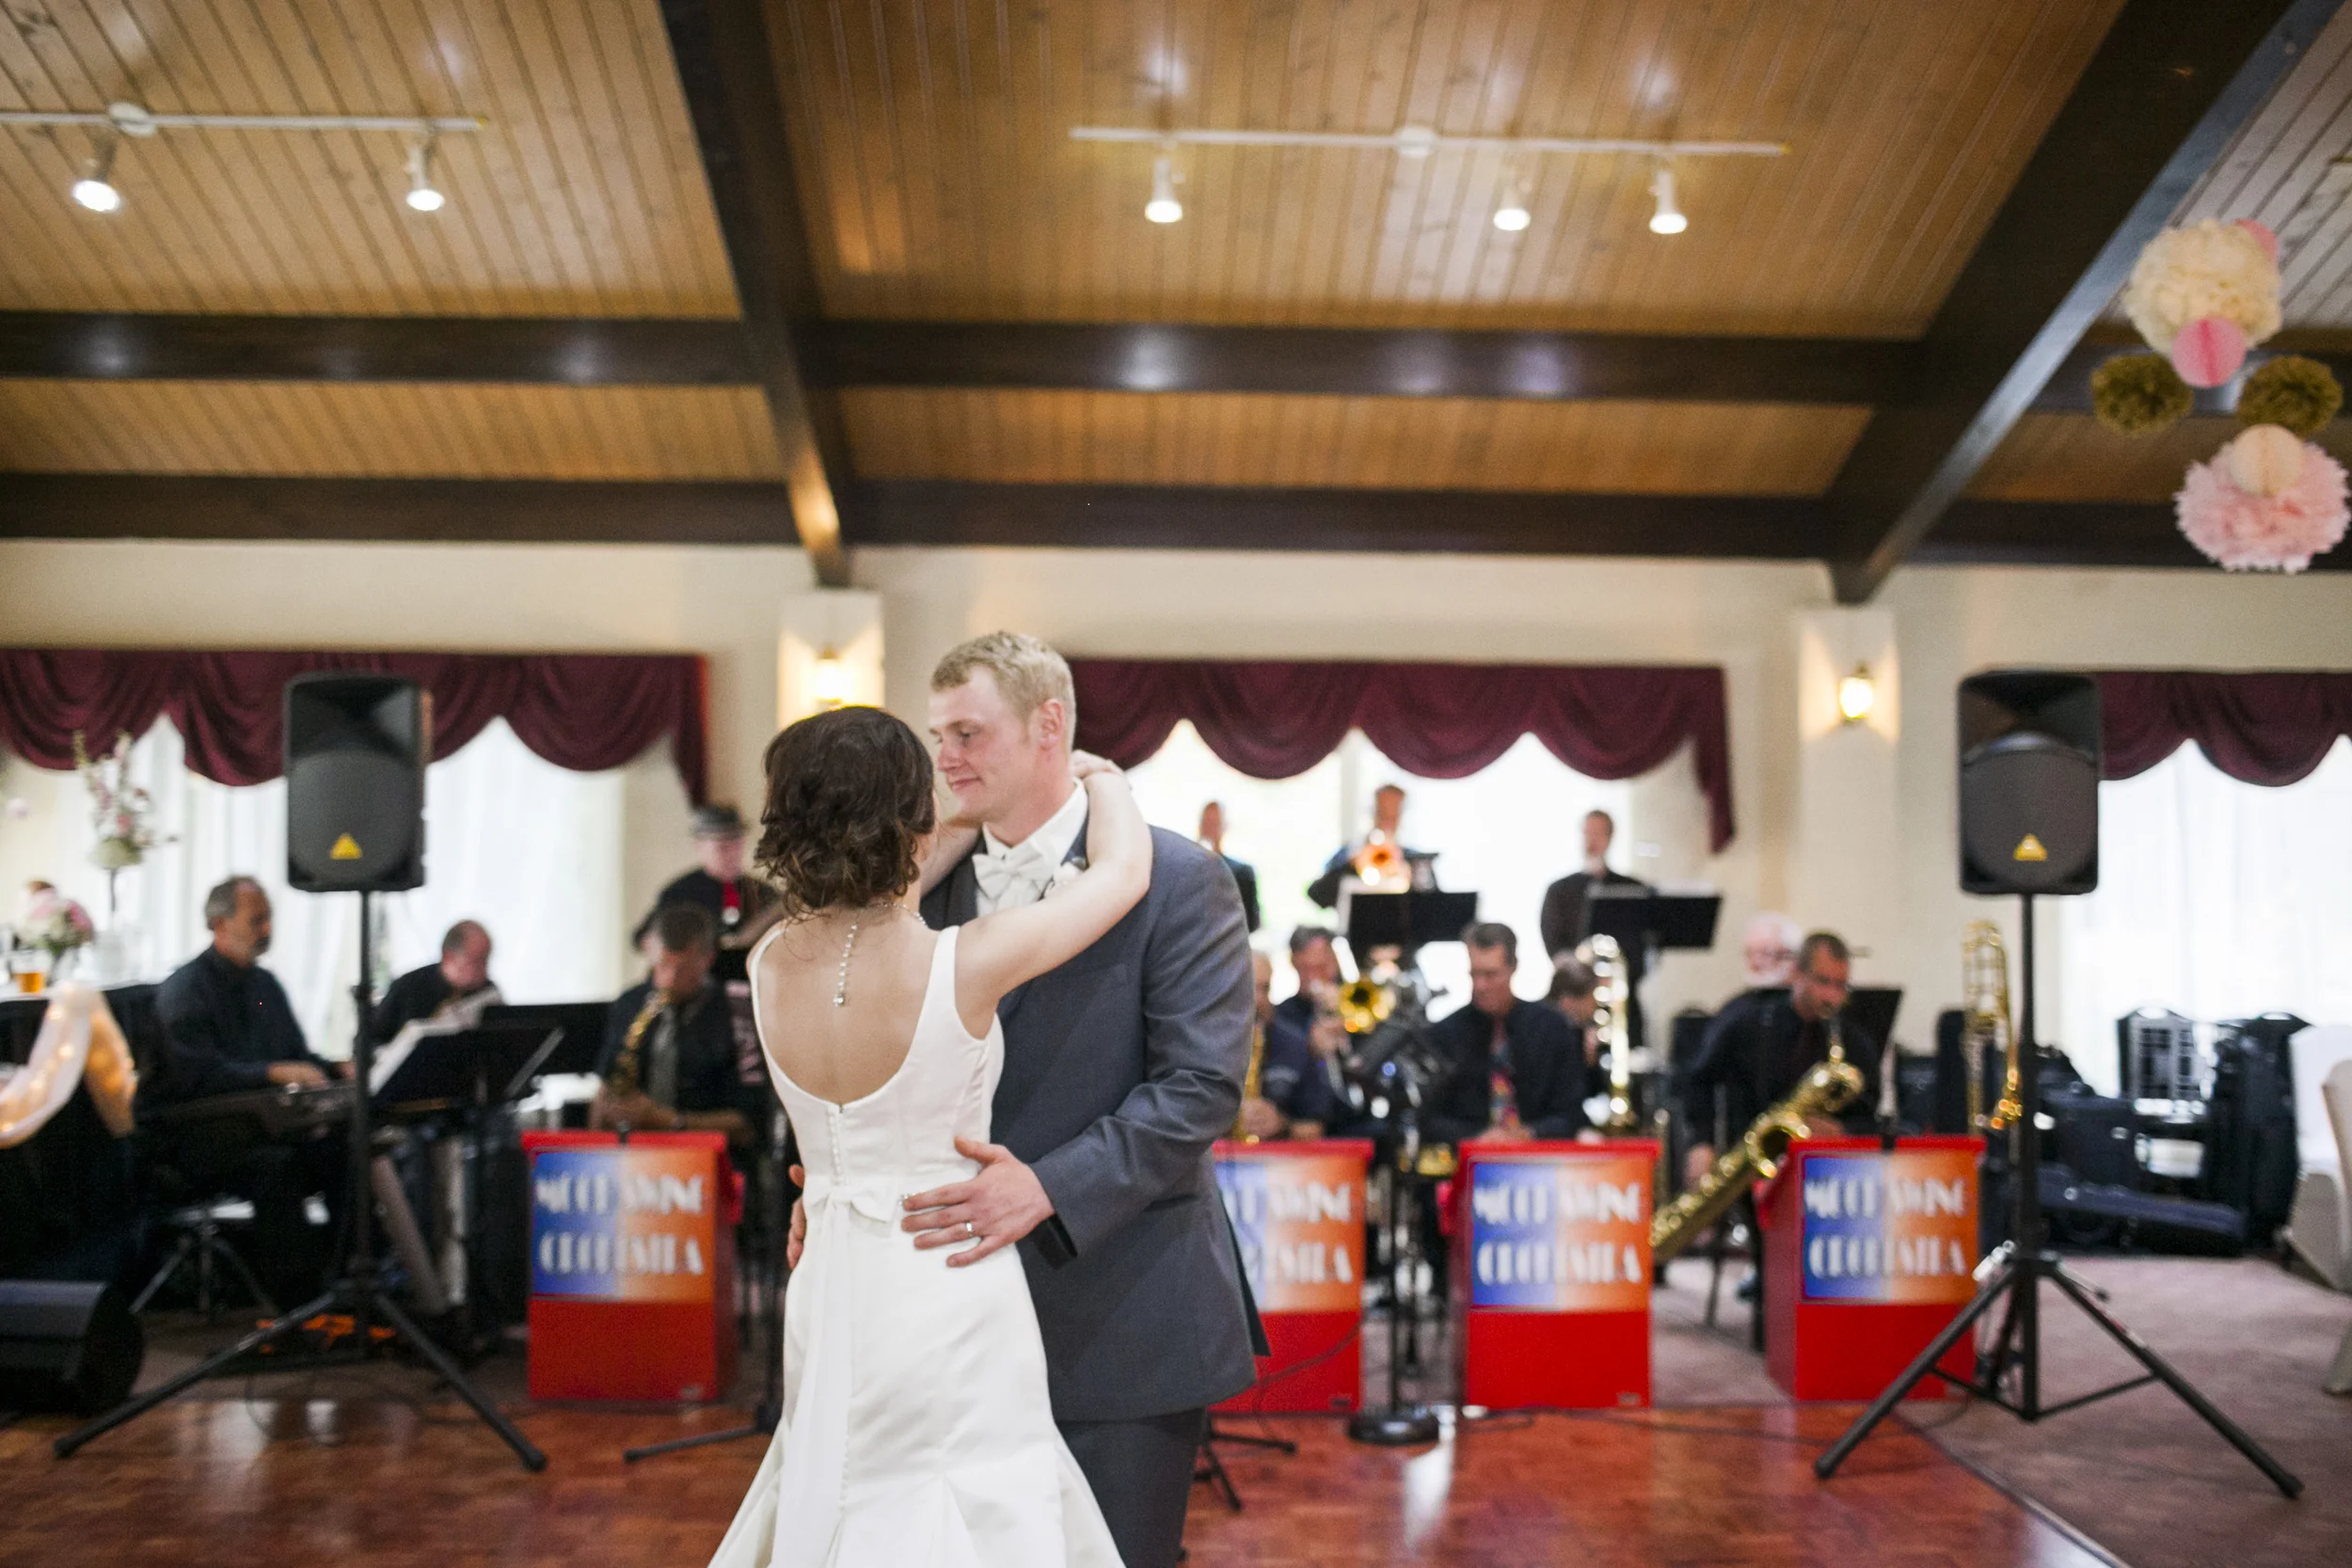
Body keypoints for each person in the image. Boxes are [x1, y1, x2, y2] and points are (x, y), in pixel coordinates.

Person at [762, 629, 1257, 1568]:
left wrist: (1051, 1186)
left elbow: (1198, 1088)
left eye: (968, 732)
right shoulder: (909, 895)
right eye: (936, 734)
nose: (944, 757)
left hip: (1114, 1313)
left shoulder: (1180, 878)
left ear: (1048, 727)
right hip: (934, 1330)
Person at [708, 692, 1171, 1568]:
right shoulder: (964, 959)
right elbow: (1122, 876)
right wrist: (1100, 775)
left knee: (842, 1479)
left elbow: (860, 898)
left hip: (832, 1273)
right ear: (912, 824)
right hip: (947, 1272)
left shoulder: (769, 961)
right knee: (963, 1501)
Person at [137, 876, 348, 1307]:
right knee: (278, 1166)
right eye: (257, 920)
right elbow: (196, 1078)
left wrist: (337, 1068)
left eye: (268, 919)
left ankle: (349, 1281)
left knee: (345, 1150)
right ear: (218, 924)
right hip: (193, 1137)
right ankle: (296, 1301)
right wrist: (273, 1072)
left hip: (255, 1124)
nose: (267, 930)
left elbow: (295, 1057)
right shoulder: (185, 991)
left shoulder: (263, 987)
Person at [1679, 930, 1880, 1189]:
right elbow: (1698, 1080)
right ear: (1797, 973)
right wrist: (1701, 1143)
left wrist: (1842, 1131)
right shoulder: (1747, 1022)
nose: (1831, 996)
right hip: (1747, 1169)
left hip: (1826, 1177)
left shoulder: (1854, 1042)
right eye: (1823, 981)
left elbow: (1871, 1116)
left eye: (1840, 985)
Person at [594, 903, 752, 1147]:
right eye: (661, 966)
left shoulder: (737, 1011)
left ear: (707, 959)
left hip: (709, 1156)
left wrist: (667, 1121)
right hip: (634, 1155)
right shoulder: (630, 1003)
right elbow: (605, 1091)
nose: (668, 980)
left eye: (681, 969)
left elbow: (748, 1124)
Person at [1422, 923, 1590, 1147]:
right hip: (1466, 1160)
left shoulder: (1551, 1028)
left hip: (1542, 1161)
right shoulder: (1444, 1034)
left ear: (1513, 968)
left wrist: (1530, 1133)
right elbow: (1429, 1117)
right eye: (1474, 974)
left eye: (1491, 975)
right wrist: (1476, 1138)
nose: (1480, 985)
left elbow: (1572, 1112)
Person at [637, 803, 784, 958]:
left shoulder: (763, 892)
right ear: (699, 846)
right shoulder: (679, 893)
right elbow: (644, 939)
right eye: (722, 848)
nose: (733, 854)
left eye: (738, 846)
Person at [1235, 951, 1344, 1141]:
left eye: (1265, 988)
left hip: (1282, 1166)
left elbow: (1316, 1128)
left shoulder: (1297, 1045)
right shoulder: (1199, 1045)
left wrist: (1282, 1125)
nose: (1258, 999)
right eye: (1247, 988)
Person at [1305, 784, 1435, 909]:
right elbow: (1317, 895)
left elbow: (1435, 906)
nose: (1387, 820)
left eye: (1393, 814)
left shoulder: (1414, 859)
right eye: (1382, 813)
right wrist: (1350, 866)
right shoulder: (1347, 854)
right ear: (1372, 812)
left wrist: (1412, 876)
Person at [372, 919, 501, 1041]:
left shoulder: (488, 992)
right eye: (476, 962)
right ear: (449, 957)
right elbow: (372, 1041)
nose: (483, 970)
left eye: (486, 961)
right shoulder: (409, 987)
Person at [1545, 954, 1606, 1101]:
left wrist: (1590, 1061)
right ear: (1568, 1001)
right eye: (1591, 997)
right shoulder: (1561, 1033)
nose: (1595, 1005)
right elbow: (1580, 1093)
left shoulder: (1579, 1030)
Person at [1196, 800, 1261, 933]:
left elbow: (1252, 922)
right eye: (1206, 823)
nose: (1209, 829)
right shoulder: (1185, 868)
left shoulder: (1242, 872)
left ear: (1225, 827)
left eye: (1215, 824)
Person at [1272, 925, 1340, 1036]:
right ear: (1294, 964)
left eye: (1321, 967)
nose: (1313, 977)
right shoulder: (1282, 1015)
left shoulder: (1354, 1002)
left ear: (1335, 961)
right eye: (1305, 969)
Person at [1738, 910, 1804, 991]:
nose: (1755, 963)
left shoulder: (1806, 1001)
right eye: (1749, 953)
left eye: (1766, 953)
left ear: (1791, 957)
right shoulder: (1738, 1003)